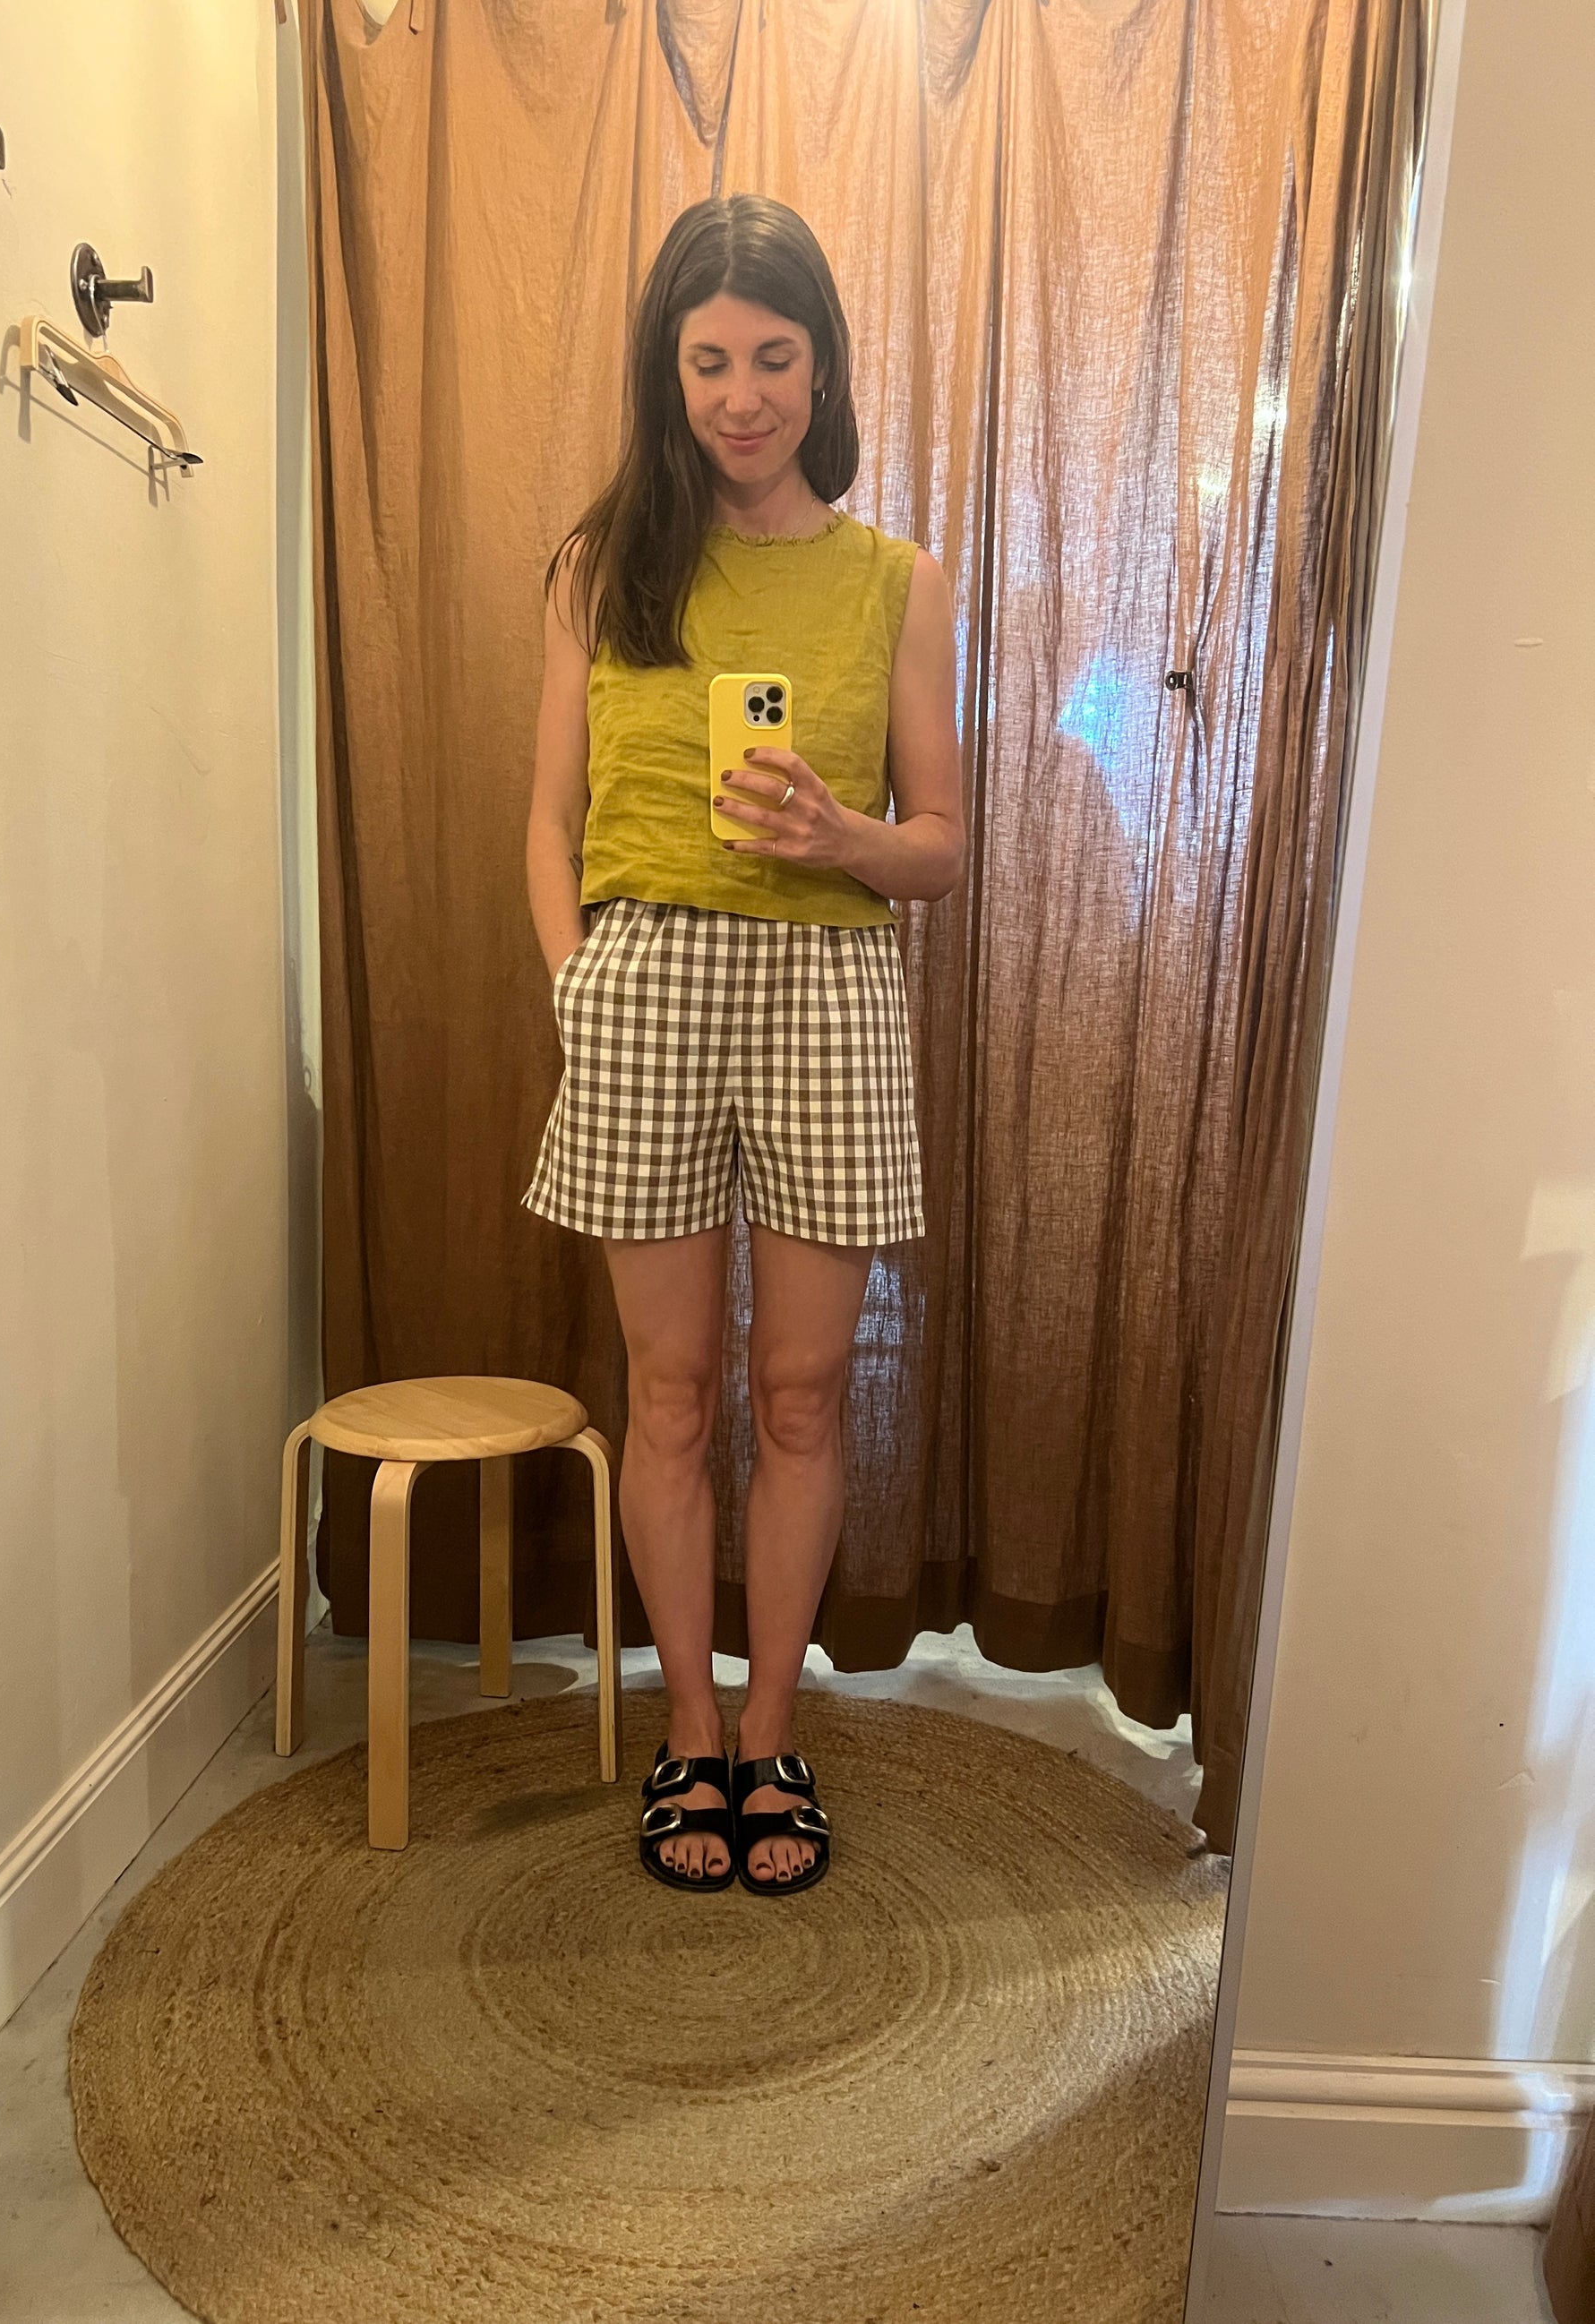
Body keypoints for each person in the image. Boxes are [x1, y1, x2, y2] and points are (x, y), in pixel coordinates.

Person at [523, 192, 964, 1896]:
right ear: (669, 372)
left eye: (773, 357)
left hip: (828, 994)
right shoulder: (598, 566)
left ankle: (772, 1732)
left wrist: (836, 838)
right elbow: (545, 826)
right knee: (674, 1392)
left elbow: (941, 845)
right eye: (707, 360)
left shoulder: (895, 581)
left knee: (795, 1392)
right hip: (642, 991)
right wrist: (577, 985)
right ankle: (687, 1733)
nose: (741, 395)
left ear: (821, 366)